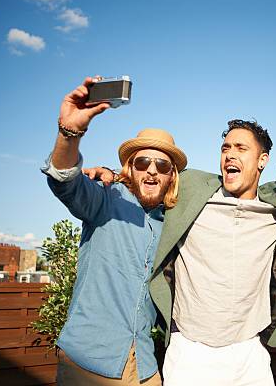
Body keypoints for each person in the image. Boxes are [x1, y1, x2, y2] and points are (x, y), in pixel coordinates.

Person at [88, 120, 276, 385]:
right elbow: (152, 177)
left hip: (248, 353)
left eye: (241, 148)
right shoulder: (192, 188)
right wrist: (115, 175)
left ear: (262, 160)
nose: (229, 155)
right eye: (225, 148)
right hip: (189, 351)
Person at [41, 77, 187, 385]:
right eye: (144, 161)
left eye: (162, 166)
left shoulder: (173, 224)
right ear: (130, 168)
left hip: (145, 365)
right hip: (88, 363)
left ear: (172, 176)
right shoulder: (105, 198)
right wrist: (70, 132)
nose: (151, 170)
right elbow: (64, 180)